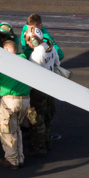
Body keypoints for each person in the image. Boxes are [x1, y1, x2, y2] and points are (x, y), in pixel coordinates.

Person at [21, 25, 62, 156]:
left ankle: (39, 148)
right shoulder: (50, 47)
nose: (27, 43)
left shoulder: (35, 55)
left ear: (33, 40)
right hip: (51, 87)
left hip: (39, 91)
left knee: (36, 120)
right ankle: (47, 143)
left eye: (28, 40)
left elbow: (31, 77)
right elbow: (57, 64)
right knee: (48, 118)